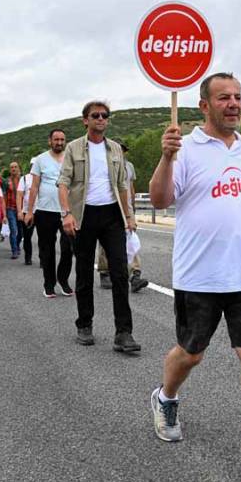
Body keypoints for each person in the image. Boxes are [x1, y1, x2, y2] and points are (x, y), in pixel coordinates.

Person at [147, 73, 241, 482]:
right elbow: (159, 199)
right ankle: (166, 398)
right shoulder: (185, 148)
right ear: (204, 105)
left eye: (237, 97)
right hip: (199, 275)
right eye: (223, 98)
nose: (233, 104)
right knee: (190, 354)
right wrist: (165, 158)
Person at [58, 101, 140, 352]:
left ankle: (124, 333)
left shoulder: (115, 149)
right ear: (85, 120)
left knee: (120, 273)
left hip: (111, 215)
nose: (101, 119)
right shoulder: (73, 148)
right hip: (84, 215)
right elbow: (63, 183)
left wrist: (129, 215)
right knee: (83, 273)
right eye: (96, 115)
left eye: (105, 115)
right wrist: (67, 214)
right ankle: (84, 325)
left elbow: (123, 185)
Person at [24, 129, 74, 299]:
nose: (59, 142)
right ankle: (49, 283)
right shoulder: (40, 159)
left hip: (67, 211)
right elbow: (34, 187)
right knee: (48, 250)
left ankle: (63, 279)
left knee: (68, 248)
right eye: (56, 139)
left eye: (62, 139)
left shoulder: (70, 157)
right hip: (45, 211)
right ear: (50, 141)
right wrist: (29, 211)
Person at [98, 142, 147, 292]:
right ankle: (105, 272)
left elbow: (131, 188)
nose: (121, 152)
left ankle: (135, 275)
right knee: (106, 241)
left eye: (123, 150)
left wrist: (132, 210)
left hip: (127, 209)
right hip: (109, 207)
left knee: (131, 241)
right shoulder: (103, 164)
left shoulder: (129, 166)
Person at [15, 163, 35, 265]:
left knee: (44, 237)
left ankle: (43, 259)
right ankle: (28, 257)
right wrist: (19, 211)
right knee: (27, 236)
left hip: (41, 211)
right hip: (27, 211)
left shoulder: (44, 179)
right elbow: (19, 195)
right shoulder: (24, 179)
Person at [3, 162, 24, 260]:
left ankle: (17, 244)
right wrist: (4, 213)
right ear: (9, 169)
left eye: (15, 167)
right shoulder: (7, 181)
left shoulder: (23, 180)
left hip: (21, 208)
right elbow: (3, 196)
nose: (13, 169)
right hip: (10, 208)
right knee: (13, 230)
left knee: (21, 231)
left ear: (19, 168)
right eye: (11, 167)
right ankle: (14, 250)